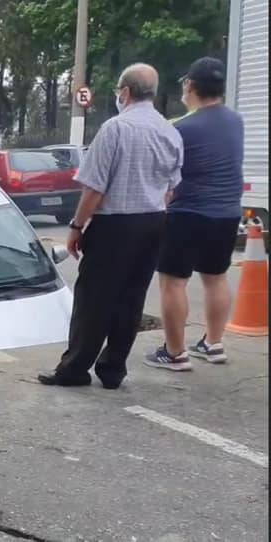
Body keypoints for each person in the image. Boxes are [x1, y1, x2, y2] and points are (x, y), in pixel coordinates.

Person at [38, 63, 184, 389]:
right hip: (154, 222)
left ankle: (74, 369)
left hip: (114, 225)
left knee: (94, 299)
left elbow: (94, 188)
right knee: (131, 297)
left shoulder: (115, 129)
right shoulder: (170, 132)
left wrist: (76, 227)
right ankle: (113, 369)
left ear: (126, 92)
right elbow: (172, 189)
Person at [146, 57, 244, 370]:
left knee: (173, 282)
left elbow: (162, 175)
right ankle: (213, 343)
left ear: (190, 86)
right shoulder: (236, 121)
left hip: (188, 213)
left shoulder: (181, 128)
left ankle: (175, 353)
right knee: (216, 278)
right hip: (228, 212)